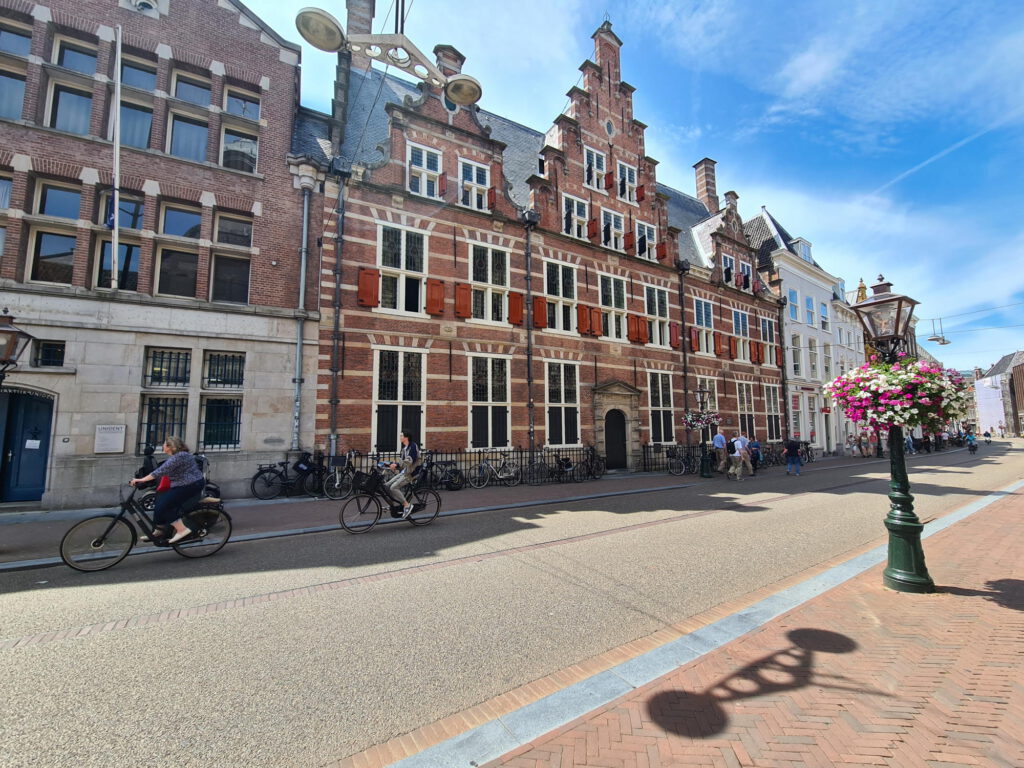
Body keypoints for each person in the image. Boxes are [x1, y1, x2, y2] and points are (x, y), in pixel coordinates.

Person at [129, 436, 205, 544]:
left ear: (170, 447)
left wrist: (141, 480)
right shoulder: (178, 455)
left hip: (191, 485)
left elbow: (160, 471)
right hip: (182, 484)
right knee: (159, 503)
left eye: (164, 444)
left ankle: (182, 530)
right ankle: (160, 530)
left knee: (166, 506)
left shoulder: (179, 457)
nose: (163, 446)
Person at [385, 430, 422, 518]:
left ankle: (406, 505)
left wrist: (396, 465)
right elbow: (402, 464)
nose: (400, 437)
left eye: (401, 436)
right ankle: (393, 506)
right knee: (386, 486)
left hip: (412, 472)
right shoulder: (404, 449)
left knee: (393, 487)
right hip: (405, 471)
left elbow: (409, 461)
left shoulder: (413, 446)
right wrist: (391, 465)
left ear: (406, 437)